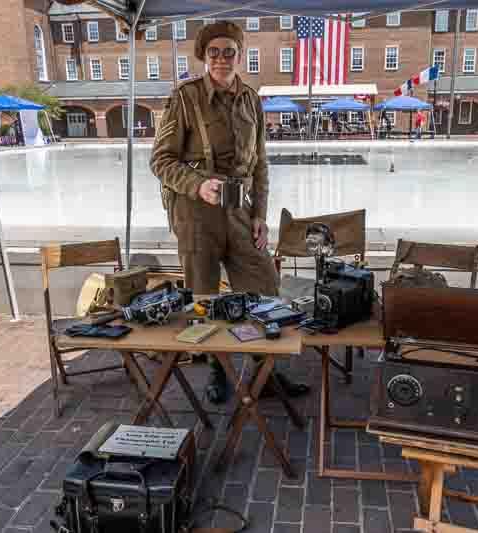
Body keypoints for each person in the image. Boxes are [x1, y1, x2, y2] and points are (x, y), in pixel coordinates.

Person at [150, 20, 309, 403]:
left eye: (229, 52)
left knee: (264, 286)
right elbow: (161, 160)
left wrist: (260, 216)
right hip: (196, 215)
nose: (222, 59)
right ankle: (218, 370)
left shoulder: (251, 99)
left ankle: (264, 371)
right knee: (204, 297)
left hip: (240, 211)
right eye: (214, 52)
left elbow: (260, 166)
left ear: (240, 55)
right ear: (205, 57)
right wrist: (197, 185)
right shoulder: (185, 98)